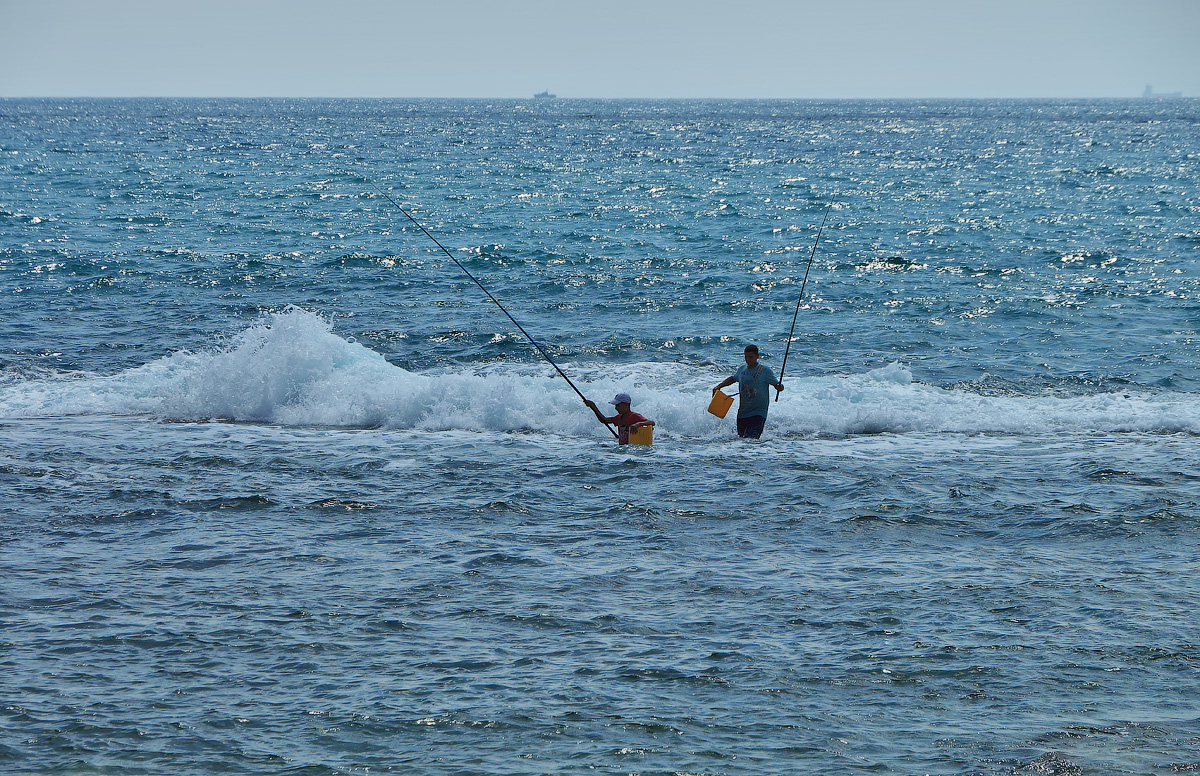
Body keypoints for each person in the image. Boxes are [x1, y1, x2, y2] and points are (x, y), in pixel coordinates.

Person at [713, 344, 783, 439]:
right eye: (746, 357)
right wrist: (719, 386)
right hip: (743, 412)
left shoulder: (765, 371)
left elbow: (777, 385)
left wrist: (779, 387)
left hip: (758, 412)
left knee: (751, 441)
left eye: (750, 357)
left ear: (757, 356)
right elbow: (733, 378)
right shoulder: (742, 369)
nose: (748, 359)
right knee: (742, 441)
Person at [584, 392, 654, 445]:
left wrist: (638, 424)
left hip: (633, 449)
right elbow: (604, 420)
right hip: (623, 449)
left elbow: (652, 423)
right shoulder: (619, 417)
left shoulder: (634, 416)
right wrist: (593, 406)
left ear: (626, 404)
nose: (616, 408)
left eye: (618, 405)